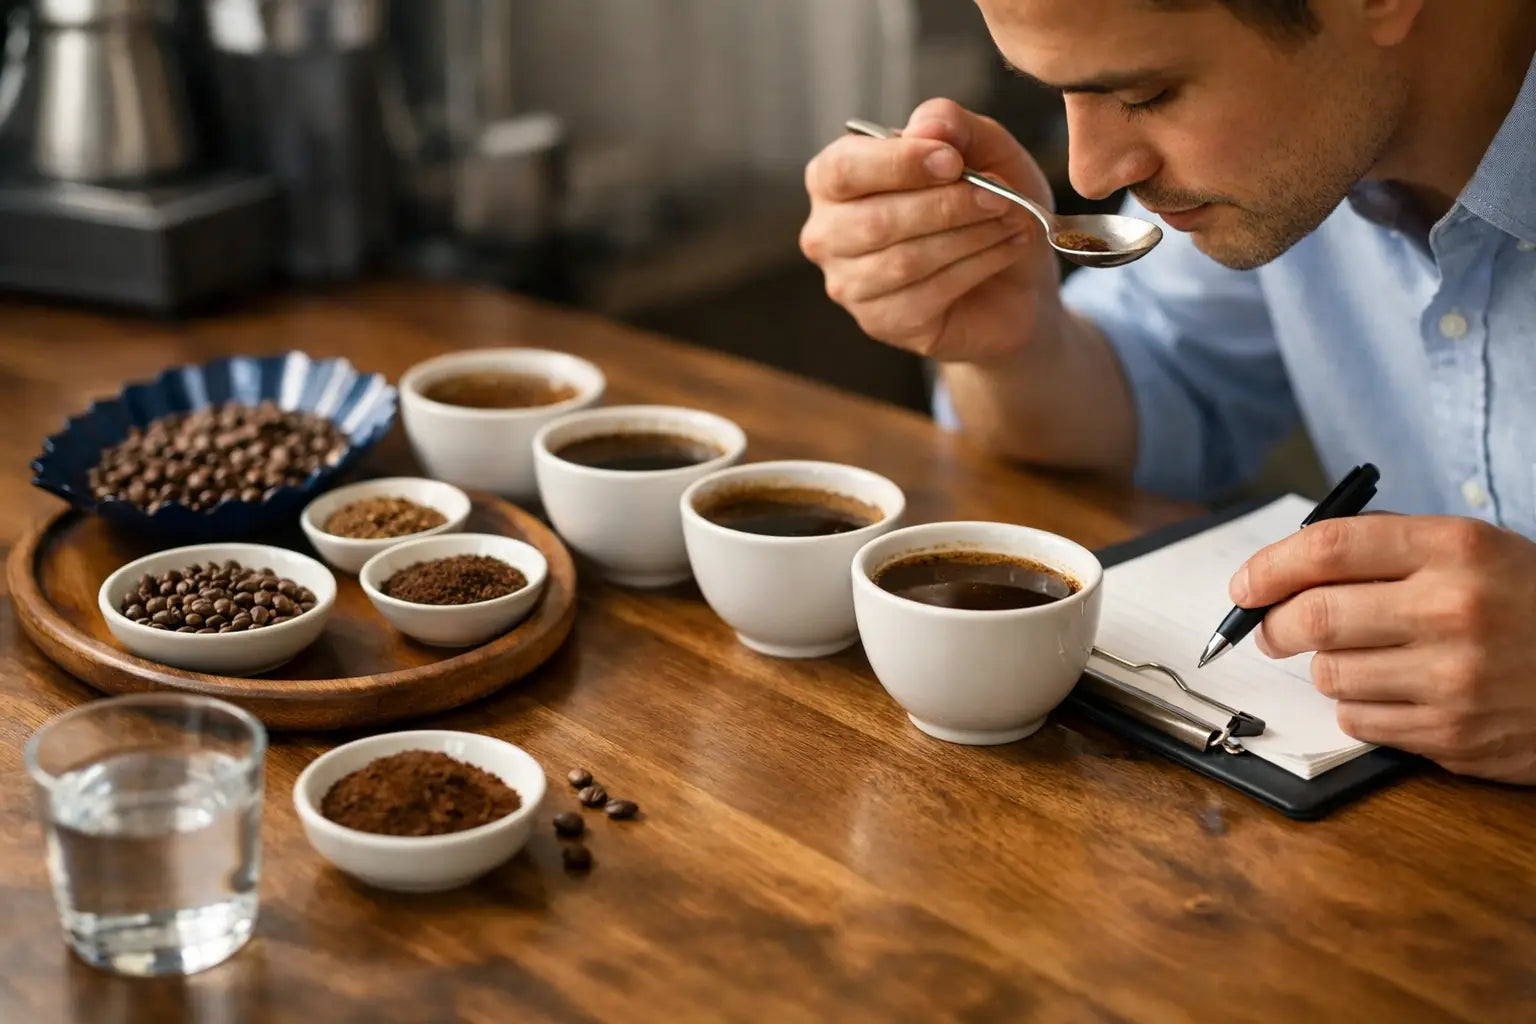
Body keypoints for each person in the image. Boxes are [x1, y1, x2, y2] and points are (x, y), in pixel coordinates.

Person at [798, 0, 1536, 784]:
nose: (1089, 172)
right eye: (1061, 92)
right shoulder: (1311, 149)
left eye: (1146, 95)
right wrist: (1013, 343)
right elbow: (1166, 381)